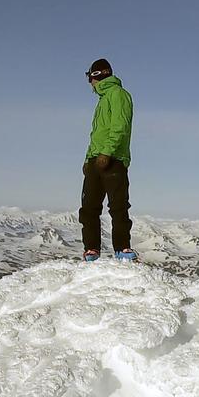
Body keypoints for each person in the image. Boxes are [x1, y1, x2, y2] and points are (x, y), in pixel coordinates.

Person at [79, 58, 137, 261]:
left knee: (118, 206)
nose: (89, 83)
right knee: (89, 208)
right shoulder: (103, 100)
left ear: (97, 75)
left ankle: (122, 248)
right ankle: (91, 249)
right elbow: (96, 134)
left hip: (113, 159)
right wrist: (89, 158)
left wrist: (107, 152)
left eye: (89, 77)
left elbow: (119, 126)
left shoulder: (118, 95)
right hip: (96, 159)